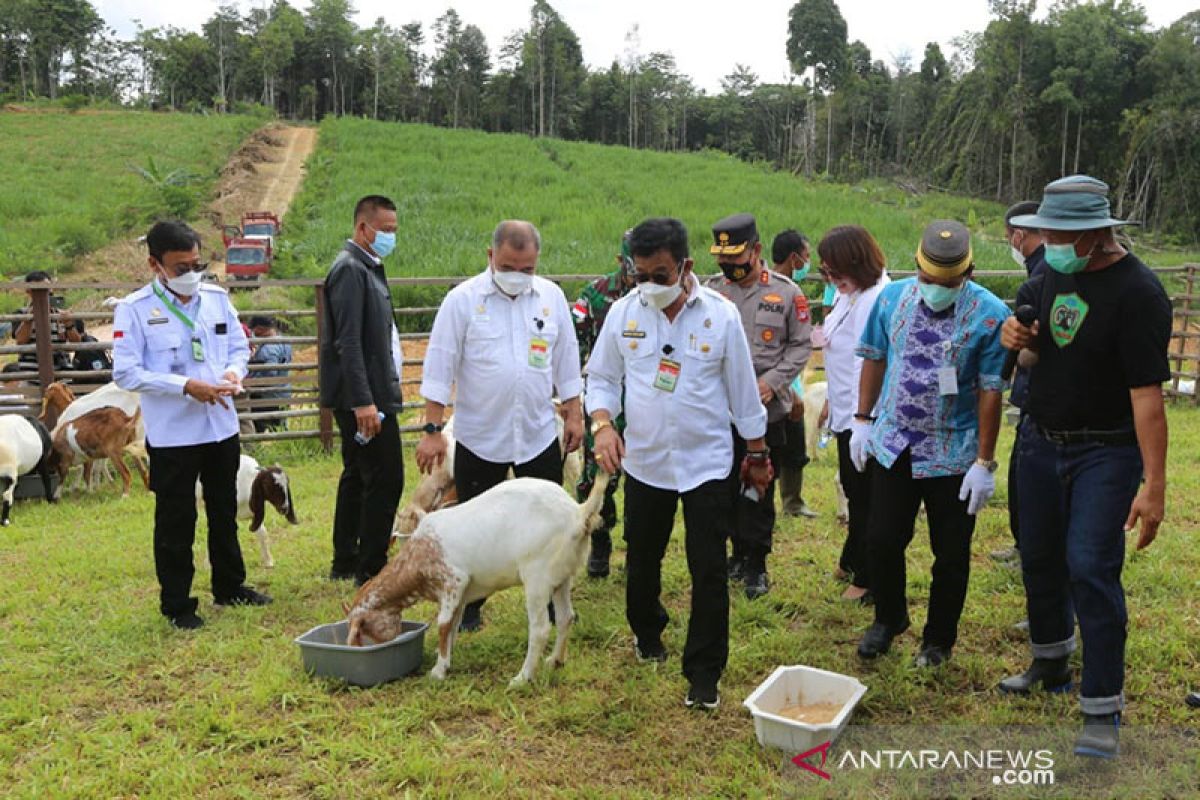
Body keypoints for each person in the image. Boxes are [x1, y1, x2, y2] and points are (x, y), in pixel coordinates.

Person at [999, 175, 1171, 759]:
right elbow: (1035, 347)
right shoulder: (1052, 272)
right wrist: (1015, 334)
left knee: (1090, 569)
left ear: (1097, 233)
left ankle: (1102, 708)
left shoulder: (1139, 294)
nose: (1048, 239)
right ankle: (1049, 663)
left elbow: (1147, 396)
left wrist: (1155, 485)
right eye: (1047, 229)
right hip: (1040, 439)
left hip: (1107, 449)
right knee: (1039, 555)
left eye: (1059, 231)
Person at [586, 217, 770, 711]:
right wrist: (603, 424)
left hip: (706, 463)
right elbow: (600, 378)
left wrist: (756, 452)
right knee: (642, 558)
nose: (649, 285)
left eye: (660, 275)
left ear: (686, 267)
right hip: (645, 463)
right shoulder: (625, 314)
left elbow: (743, 393)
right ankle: (648, 634)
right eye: (640, 274)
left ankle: (704, 673)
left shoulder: (721, 316)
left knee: (708, 568)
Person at [851, 219, 1008, 667]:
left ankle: (938, 640)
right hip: (894, 441)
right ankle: (888, 618)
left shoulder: (991, 314)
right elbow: (875, 358)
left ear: (968, 273)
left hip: (954, 452)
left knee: (951, 553)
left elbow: (990, 389)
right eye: (927, 279)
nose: (935, 288)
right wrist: (862, 419)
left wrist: (985, 461)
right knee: (881, 539)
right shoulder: (892, 298)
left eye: (947, 282)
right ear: (917, 267)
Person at [417, 220, 584, 632]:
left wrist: (575, 411)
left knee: (548, 524)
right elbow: (440, 365)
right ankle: (471, 607)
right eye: (509, 266)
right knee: (476, 527)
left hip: (537, 433)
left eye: (527, 269)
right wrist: (433, 429)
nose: (518, 276)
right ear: (490, 256)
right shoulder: (462, 301)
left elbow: (565, 359)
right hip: (480, 437)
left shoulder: (551, 297)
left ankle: (550, 603)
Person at [112, 220, 271, 629]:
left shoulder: (216, 299)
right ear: (154, 264)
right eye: (180, 267)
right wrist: (185, 386)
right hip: (174, 436)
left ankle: (231, 586)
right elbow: (127, 373)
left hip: (221, 427)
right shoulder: (134, 310)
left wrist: (235, 374)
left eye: (197, 264)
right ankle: (179, 605)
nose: (191, 275)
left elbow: (239, 346)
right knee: (176, 519)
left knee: (223, 510)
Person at [705, 213, 812, 599]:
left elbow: (801, 346)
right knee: (725, 486)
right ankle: (736, 553)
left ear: (756, 251)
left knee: (758, 487)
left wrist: (772, 382)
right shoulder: (712, 291)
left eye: (735, 260)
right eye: (723, 261)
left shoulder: (786, 294)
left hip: (768, 411)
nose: (728, 268)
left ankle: (757, 563)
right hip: (720, 412)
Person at [319, 195, 405, 586]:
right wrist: (364, 402)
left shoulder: (366, 267)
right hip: (365, 397)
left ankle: (346, 559)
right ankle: (371, 567)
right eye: (385, 230)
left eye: (394, 230)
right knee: (386, 478)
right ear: (362, 228)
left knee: (357, 473)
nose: (390, 237)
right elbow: (348, 342)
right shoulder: (351, 270)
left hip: (367, 391)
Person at [816, 225, 891, 602]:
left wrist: (863, 416)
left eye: (835, 272)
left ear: (857, 264)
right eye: (825, 272)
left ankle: (868, 577)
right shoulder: (850, 295)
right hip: (845, 409)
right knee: (852, 487)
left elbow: (872, 363)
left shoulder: (877, 299)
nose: (830, 280)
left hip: (867, 415)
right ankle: (852, 557)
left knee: (866, 499)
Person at [571, 230, 637, 578]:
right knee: (596, 477)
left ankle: (639, 546)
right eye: (631, 265)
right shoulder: (595, 294)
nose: (637, 274)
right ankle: (601, 539)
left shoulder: (661, 292)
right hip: (603, 401)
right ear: (620, 261)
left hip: (645, 402)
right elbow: (575, 341)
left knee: (646, 480)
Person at [993, 201, 1049, 564]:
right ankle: (1022, 544)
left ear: (1018, 235)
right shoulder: (1038, 268)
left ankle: (1029, 547)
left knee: (1029, 477)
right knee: (1018, 471)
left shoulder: (1045, 274)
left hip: (1044, 396)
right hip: (1030, 394)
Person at [770, 229, 818, 520]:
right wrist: (791, 392)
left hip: (790, 383)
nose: (808, 263)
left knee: (794, 448)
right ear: (794, 258)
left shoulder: (789, 291)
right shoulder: (780, 293)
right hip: (777, 386)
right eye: (807, 257)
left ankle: (793, 501)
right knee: (772, 447)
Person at [14, 271, 79, 373]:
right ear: (28, 291)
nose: (44, 295)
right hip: (31, 374)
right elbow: (20, 341)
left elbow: (76, 344)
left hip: (62, 373)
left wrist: (68, 324)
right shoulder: (21, 314)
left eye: (47, 291)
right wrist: (30, 318)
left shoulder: (63, 314)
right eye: (37, 291)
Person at [247, 315, 292, 432]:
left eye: (254, 330)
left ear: (260, 329)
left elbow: (270, 374)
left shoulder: (269, 349)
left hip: (267, 398)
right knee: (280, 429)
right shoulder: (283, 340)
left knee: (259, 428)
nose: (253, 333)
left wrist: (249, 382)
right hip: (283, 393)